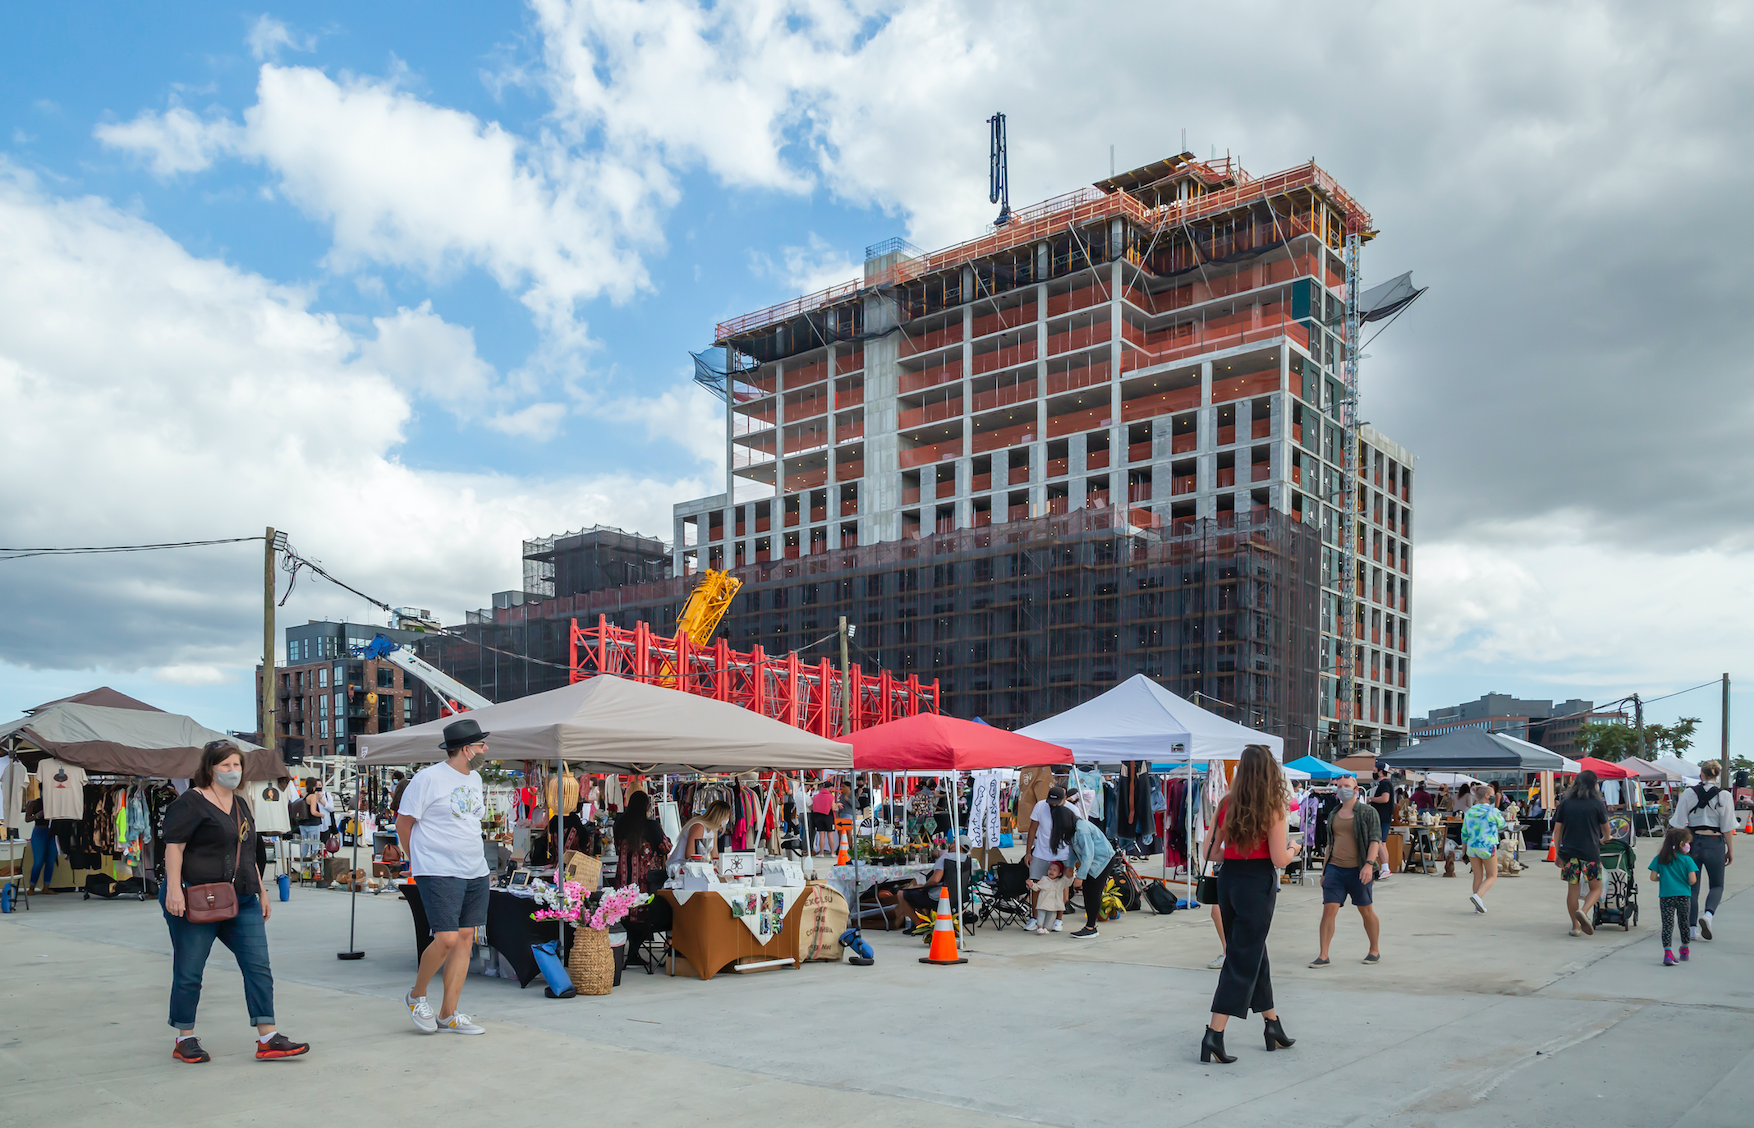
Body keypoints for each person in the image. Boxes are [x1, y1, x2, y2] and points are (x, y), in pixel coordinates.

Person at [160, 740, 309, 1063]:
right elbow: (174, 847)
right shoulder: (191, 803)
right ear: (209, 768)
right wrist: (173, 889)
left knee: (258, 965)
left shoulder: (241, 804)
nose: (232, 771)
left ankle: (268, 1036)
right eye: (225, 765)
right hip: (194, 896)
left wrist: (261, 890)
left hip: (241, 897)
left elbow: (250, 851)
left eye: (236, 765)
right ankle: (184, 1037)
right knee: (190, 970)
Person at [1201, 744, 1300, 1064]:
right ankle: (1213, 1034)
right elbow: (1278, 858)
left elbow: (1210, 853)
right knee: (1242, 957)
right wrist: (1295, 849)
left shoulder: (1227, 803)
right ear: (1270, 772)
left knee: (1253, 953)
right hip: (1257, 884)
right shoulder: (1273, 807)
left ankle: (1273, 1025)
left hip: (1229, 880)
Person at [398, 718, 491, 1036]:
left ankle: (448, 1014)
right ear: (466, 749)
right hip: (438, 870)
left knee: (466, 938)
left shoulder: (476, 779)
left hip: (475, 869)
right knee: (446, 938)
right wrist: (417, 861)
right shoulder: (428, 779)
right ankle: (416, 995)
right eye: (481, 745)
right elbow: (404, 823)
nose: (485, 749)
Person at [1310, 774, 1382, 968]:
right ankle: (1323, 954)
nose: (1342, 789)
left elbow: (1375, 840)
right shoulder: (1334, 812)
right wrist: (1324, 871)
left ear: (1356, 789)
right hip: (1335, 868)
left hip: (1359, 868)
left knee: (1365, 910)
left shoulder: (1368, 812)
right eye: (1339, 786)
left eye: (1347, 786)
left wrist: (1369, 864)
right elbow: (1329, 844)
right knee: (1329, 909)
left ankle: (1374, 949)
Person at [1669, 760, 1734, 942]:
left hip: (1693, 841)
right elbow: (1728, 827)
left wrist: (1677, 847)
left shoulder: (1689, 793)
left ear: (1701, 774)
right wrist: (1730, 850)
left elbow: (1678, 824)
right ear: (1718, 775)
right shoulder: (1724, 796)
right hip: (1715, 842)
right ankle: (1708, 916)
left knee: (1692, 887)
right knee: (1717, 885)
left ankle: (1691, 929)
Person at [615, 792, 673, 965]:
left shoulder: (620, 823)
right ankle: (634, 952)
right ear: (646, 806)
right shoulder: (651, 826)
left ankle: (632, 952)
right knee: (646, 916)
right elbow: (666, 847)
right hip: (645, 881)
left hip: (623, 879)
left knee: (626, 915)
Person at [1553, 769, 1612, 936]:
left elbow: (1557, 830)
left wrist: (1558, 852)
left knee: (1572, 889)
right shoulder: (1597, 804)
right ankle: (1584, 911)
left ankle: (1575, 927)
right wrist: (1606, 838)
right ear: (1594, 785)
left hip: (1569, 853)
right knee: (1596, 888)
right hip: (1590, 853)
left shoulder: (1565, 803)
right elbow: (1606, 829)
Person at [1648, 827, 1698, 966]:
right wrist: (1684, 882)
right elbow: (1692, 880)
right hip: (1683, 895)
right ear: (1683, 844)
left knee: (1667, 924)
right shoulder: (1687, 861)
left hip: (1666, 896)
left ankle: (1668, 952)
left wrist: (1664, 879)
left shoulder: (1660, 858)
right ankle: (1685, 949)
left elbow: (1653, 877)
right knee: (1684, 922)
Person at [1024, 790, 1072, 932]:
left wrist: (1073, 861)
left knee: (1061, 887)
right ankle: (1034, 918)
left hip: (1062, 854)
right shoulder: (1040, 806)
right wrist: (1028, 852)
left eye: (1056, 803)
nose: (1052, 806)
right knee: (1036, 884)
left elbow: (1076, 834)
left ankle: (1058, 920)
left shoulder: (1072, 809)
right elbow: (1032, 828)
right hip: (1041, 852)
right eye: (1050, 803)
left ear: (1064, 800)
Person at [1067, 811, 1118, 938]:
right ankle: (1090, 926)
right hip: (1093, 861)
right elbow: (1073, 850)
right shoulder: (1072, 828)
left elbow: (1088, 855)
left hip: (1103, 860)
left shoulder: (1082, 829)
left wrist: (1080, 876)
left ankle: (1091, 928)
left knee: (1093, 892)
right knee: (1088, 892)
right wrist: (1070, 865)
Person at [1461, 783, 1506, 913]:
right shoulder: (1493, 811)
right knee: (1492, 875)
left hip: (1471, 846)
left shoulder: (1469, 812)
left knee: (1477, 876)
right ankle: (1478, 897)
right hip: (1487, 846)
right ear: (1487, 796)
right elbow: (1502, 824)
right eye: (1492, 795)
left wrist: (1463, 850)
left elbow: (1464, 833)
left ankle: (1477, 905)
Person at [670, 801, 732, 868]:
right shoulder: (699, 827)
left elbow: (715, 854)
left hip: (695, 868)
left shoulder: (714, 830)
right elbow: (690, 855)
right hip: (678, 868)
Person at [1027, 861, 1074, 933]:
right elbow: (1037, 887)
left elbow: (1069, 882)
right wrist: (1032, 885)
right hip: (1043, 902)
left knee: (1049, 916)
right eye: (1050, 869)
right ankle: (1039, 927)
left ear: (1060, 873)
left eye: (1055, 870)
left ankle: (1045, 927)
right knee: (1041, 915)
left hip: (1053, 904)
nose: (1051, 871)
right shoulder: (1044, 879)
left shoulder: (1061, 882)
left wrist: (1072, 875)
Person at [25, 796, 55, 895]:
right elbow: (27, 819)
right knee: (38, 861)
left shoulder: (55, 801)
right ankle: (32, 887)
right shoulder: (34, 803)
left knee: (51, 860)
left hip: (53, 831)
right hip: (39, 831)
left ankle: (46, 887)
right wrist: (37, 816)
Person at [809, 781, 836, 854]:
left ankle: (821, 853)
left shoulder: (816, 796)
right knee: (830, 836)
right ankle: (832, 853)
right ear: (829, 787)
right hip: (828, 817)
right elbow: (833, 808)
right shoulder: (831, 796)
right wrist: (838, 805)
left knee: (821, 836)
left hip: (818, 817)